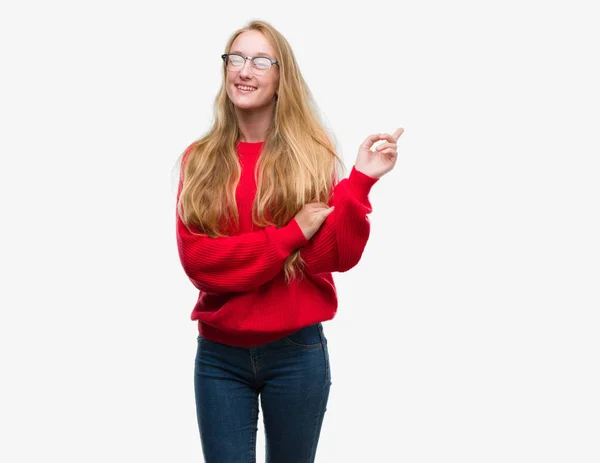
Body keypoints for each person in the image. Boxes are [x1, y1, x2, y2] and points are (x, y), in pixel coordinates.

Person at [175, 19, 403, 463]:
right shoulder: (199, 160)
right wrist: (290, 235)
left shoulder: (311, 155)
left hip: (296, 353)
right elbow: (201, 262)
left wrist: (358, 183)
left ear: (281, 78)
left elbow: (330, 257)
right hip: (220, 357)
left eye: (261, 61)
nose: (245, 70)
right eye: (235, 59)